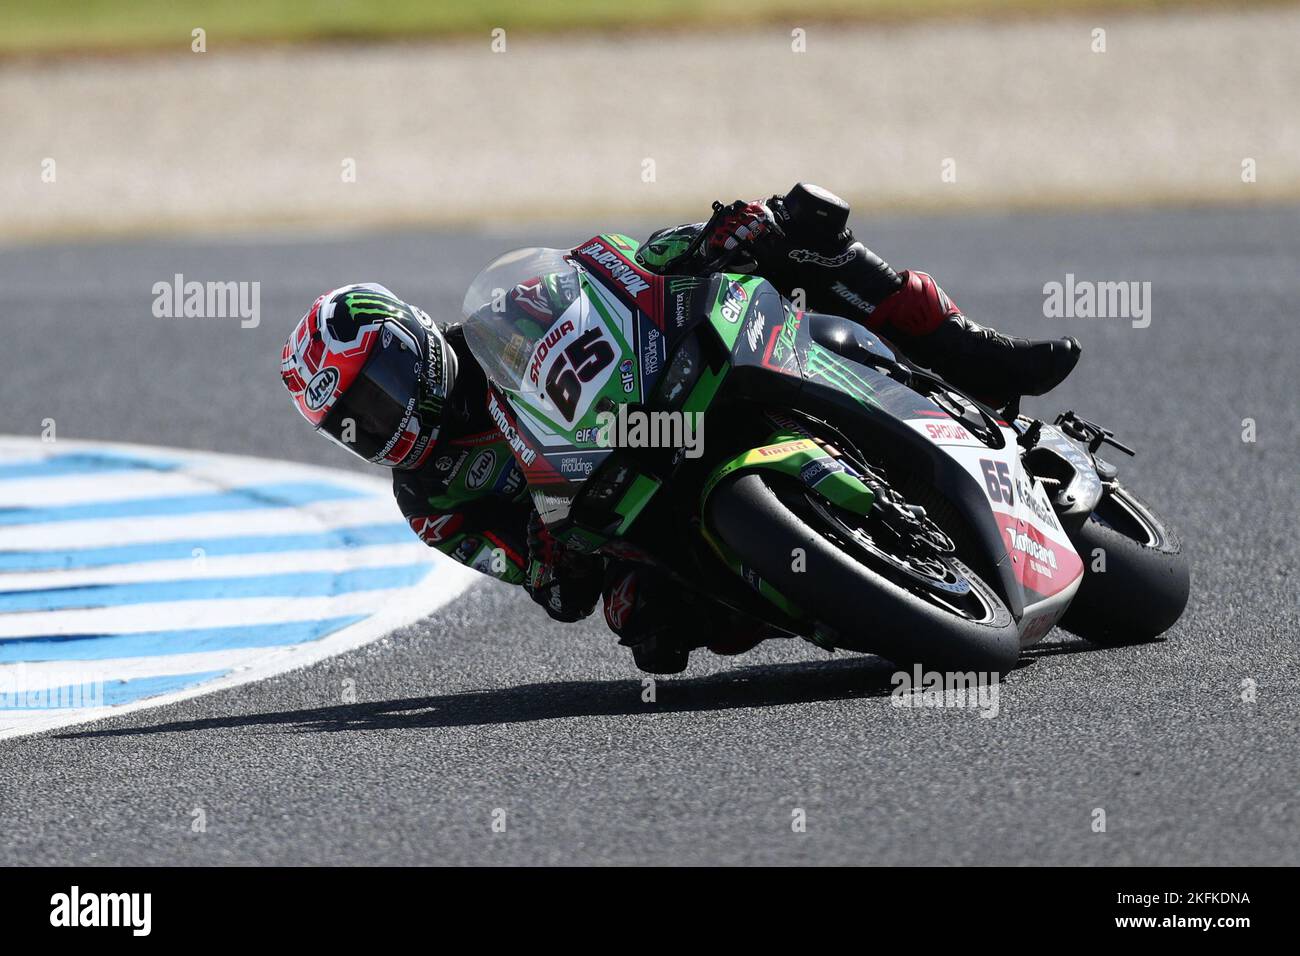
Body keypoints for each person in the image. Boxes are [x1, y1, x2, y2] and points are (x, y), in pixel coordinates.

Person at [280, 183, 1080, 673]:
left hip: (670, 395)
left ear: (412, 346)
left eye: (375, 398)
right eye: (353, 427)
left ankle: (974, 356)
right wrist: (555, 563)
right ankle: (859, 590)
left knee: (799, 242)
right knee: (647, 626)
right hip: (616, 509)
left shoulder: (504, 319)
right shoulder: (430, 499)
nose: (376, 428)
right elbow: (535, 579)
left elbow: (617, 269)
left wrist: (706, 243)